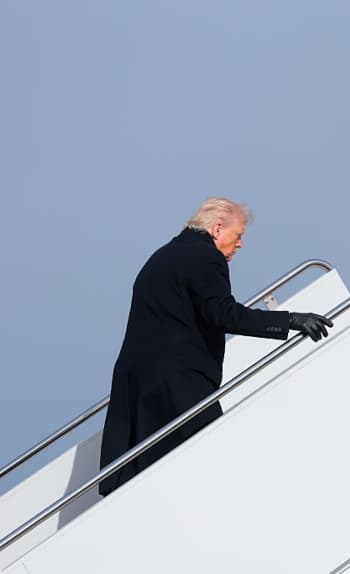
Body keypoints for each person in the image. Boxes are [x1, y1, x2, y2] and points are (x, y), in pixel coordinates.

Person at [98, 198, 333, 496]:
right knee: (210, 467)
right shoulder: (205, 257)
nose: (240, 245)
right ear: (217, 229)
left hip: (140, 388)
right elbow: (224, 314)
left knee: (151, 483)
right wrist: (290, 320)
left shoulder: (163, 256)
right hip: (180, 387)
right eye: (239, 235)